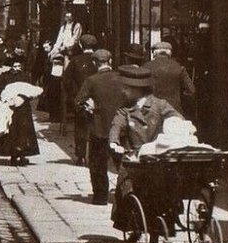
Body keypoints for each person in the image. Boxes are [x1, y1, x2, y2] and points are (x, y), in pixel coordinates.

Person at [108, 64, 182, 230]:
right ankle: (130, 225)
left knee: (164, 190)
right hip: (135, 158)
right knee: (126, 188)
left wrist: (175, 125)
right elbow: (116, 125)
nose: (123, 91)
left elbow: (175, 117)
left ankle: (160, 227)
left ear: (137, 89)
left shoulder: (159, 105)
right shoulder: (125, 109)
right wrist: (114, 142)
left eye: (126, 88)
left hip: (158, 156)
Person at [74, 49, 123, 204]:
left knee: (98, 164)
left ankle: (100, 197)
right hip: (120, 128)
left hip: (99, 128)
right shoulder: (121, 78)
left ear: (95, 63)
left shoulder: (92, 80)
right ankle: (124, 195)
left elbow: (78, 103)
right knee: (121, 163)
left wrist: (89, 108)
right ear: (110, 62)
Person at [0, 51, 40, 166]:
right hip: (10, 108)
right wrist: (8, 100)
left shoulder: (25, 76)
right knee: (11, 131)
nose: (17, 68)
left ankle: (23, 155)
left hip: (23, 109)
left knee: (24, 132)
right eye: (15, 66)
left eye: (19, 66)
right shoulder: (4, 76)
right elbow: (0, 91)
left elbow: (30, 91)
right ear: (11, 66)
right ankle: (13, 155)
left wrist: (23, 98)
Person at [61, 33, 100, 163]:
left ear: (80, 45)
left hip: (81, 100)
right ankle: (96, 156)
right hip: (98, 101)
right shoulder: (100, 60)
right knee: (97, 127)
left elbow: (66, 82)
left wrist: (74, 96)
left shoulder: (75, 61)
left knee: (81, 128)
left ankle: (81, 156)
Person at [148, 40, 197, 118]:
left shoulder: (146, 67)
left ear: (154, 53)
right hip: (174, 111)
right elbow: (191, 91)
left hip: (151, 111)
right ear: (170, 53)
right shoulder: (179, 68)